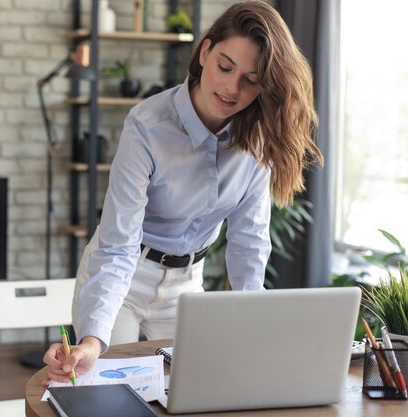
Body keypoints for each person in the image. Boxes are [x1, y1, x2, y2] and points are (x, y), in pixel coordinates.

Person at [43, 0, 323, 385]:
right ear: (205, 52)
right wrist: (91, 340)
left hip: (187, 284)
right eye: (225, 66)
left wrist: (254, 323)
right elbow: (117, 245)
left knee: (186, 393)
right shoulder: (146, 125)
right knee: (107, 392)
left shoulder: (256, 142)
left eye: (251, 79)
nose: (231, 88)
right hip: (125, 275)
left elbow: (249, 242)